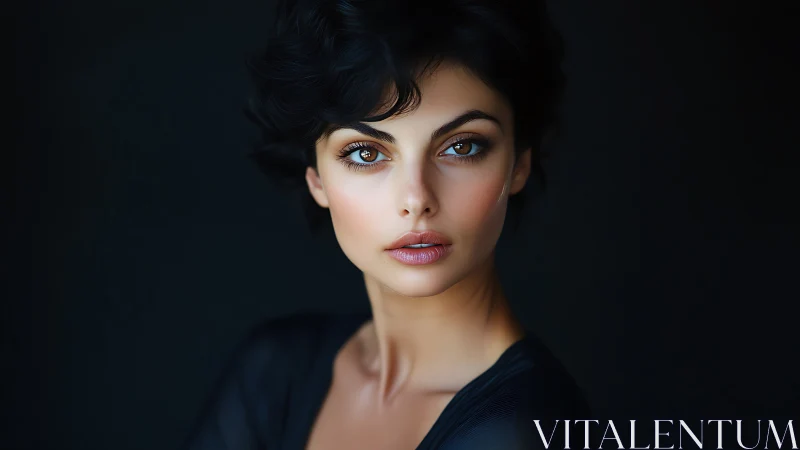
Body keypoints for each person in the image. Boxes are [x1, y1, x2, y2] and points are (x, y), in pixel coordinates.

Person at [182, 0, 591, 448]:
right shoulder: (275, 370)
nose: (416, 199)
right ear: (316, 177)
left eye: (462, 147)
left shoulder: (522, 428)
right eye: (366, 153)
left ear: (519, 163)